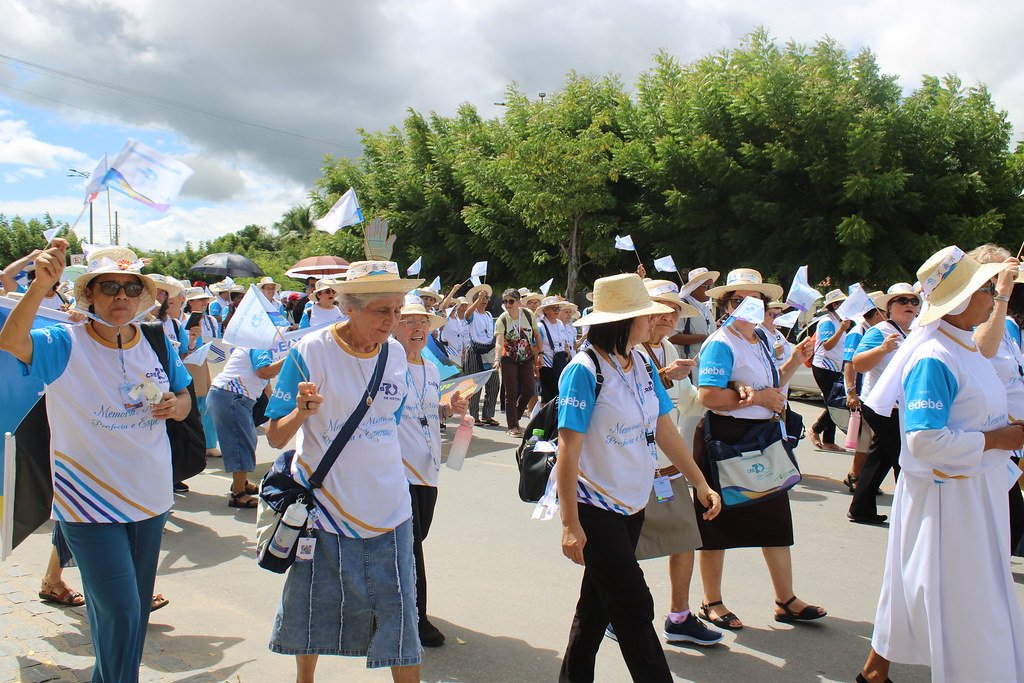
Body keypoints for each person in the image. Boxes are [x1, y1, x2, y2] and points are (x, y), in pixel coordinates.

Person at [0, 239, 191, 682]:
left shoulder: (156, 342)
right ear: (89, 294)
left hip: (151, 496)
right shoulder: (62, 342)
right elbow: (10, 342)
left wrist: (175, 406)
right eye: (108, 287)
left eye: (130, 288)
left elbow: (184, 397)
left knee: (135, 610)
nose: (120, 297)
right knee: (120, 608)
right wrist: (39, 287)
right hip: (88, 504)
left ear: (142, 296)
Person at [858, 246, 1024, 683]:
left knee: (964, 594)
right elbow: (925, 440)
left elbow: (973, 412)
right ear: (964, 298)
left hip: (975, 490)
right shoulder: (934, 357)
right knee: (966, 601)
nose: (993, 297)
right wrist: (997, 438)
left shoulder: (962, 345)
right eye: (986, 289)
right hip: (951, 500)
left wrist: (1004, 430)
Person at [556, 273, 722, 682]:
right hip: (596, 508)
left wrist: (699, 481)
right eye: (648, 315)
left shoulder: (643, 361)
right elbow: (568, 452)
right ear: (626, 321)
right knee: (634, 608)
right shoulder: (584, 369)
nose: (656, 321)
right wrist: (570, 524)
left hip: (634, 504)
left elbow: (663, 426)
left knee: (595, 608)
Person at [265, 260, 423, 683]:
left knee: (401, 611)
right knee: (313, 604)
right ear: (347, 307)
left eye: (397, 310)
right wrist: (300, 412)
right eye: (381, 311)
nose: (392, 322)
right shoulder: (310, 352)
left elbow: (392, 419)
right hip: (325, 508)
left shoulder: (393, 353)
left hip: (390, 506)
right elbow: (276, 437)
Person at [694, 268, 825, 630]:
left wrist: (796, 360)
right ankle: (711, 600)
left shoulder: (761, 340)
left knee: (775, 519)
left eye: (757, 301)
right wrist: (754, 397)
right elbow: (708, 396)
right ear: (726, 306)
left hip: (763, 437)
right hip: (728, 435)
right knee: (717, 522)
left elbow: (771, 385)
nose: (750, 307)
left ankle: (786, 599)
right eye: (740, 300)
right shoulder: (722, 342)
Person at [631, 280, 722, 647]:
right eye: (661, 310)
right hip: (631, 473)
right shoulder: (626, 352)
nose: (669, 317)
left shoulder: (667, 348)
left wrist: (725, 396)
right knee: (621, 552)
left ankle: (680, 616)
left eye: (674, 311)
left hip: (668, 469)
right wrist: (668, 377)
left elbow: (682, 406)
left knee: (684, 540)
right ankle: (613, 615)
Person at [392, 296, 468, 647]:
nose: (418, 328)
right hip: (396, 470)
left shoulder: (432, 368)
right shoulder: (386, 363)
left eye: (422, 321)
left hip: (428, 470)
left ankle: (387, 602)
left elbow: (429, 410)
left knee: (412, 542)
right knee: (410, 547)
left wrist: (447, 407)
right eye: (408, 321)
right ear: (394, 325)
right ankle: (416, 618)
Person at [968, 244, 1024, 553]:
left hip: (1008, 439)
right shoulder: (973, 316)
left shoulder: (1008, 324)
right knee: (1009, 519)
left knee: (1008, 521)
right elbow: (982, 349)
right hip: (985, 440)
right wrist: (1001, 295)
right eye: (1004, 276)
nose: (1012, 281)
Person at [848, 283, 919, 524]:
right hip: (881, 406)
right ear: (889, 308)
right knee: (902, 456)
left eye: (913, 301)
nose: (909, 305)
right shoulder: (880, 330)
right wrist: (882, 348)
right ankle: (910, 513)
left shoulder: (916, 331)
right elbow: (858, 363)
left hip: (900, 406)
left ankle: (861, 508)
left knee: (882, 456)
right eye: (902, 301)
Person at [208, 343, 284, 508]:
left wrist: (277, 415)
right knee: (241, 443)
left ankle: (241, 483)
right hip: (231, 396)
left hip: (230, 396)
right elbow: (264, 372)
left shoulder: (257, 346)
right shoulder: (259, 345)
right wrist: (290, 358)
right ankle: (238, 494)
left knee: (247, 439)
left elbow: (267, 388)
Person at [841, 293, 886, 493]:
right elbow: (849, 364)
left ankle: (863, 478)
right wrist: (851, 392)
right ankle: (855, 476)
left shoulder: (876, 330)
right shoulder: (858, 332)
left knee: (870, 441)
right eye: (885, 310)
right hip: (863, 393)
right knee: (865, 440)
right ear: (876, 312)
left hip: (875, 395)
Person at [809, 288, 852, 451]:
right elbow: (827, 346)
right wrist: (841, 329)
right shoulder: (828, 321)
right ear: (835, 305)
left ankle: (828, 440)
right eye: (843, 303)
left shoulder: (839, 321)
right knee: (835, 404)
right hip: (823, 367)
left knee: (833, 403)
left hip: (836, 368)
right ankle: (815, 429)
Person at [495, 288, 541, 437]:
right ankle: (512, 426)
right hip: (509, 358)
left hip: (526, 357)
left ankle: (516, 414)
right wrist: (497, 358)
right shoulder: (502, 319)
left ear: (518, 301)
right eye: (505, 301)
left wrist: (539, 354)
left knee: (529, 389)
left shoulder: (528, 314)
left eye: (511, 301)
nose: (507, 304)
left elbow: (536, 335)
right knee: (511, 392)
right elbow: (499, 341)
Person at [182, 287, 221, 458]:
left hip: (207, 361)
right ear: (190, 302)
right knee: (190, 404)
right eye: (200, 299)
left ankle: (210, 444)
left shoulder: (211, 320)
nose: (204, 303)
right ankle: (192, 444)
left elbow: (218, 340)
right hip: (188, 361)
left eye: (205, 299)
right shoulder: (183, 320)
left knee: (207, 402)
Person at [463, 283, 500, 427]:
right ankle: (473, 415)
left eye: (486, 298)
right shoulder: (472, 313)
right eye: (481, 298)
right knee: (474, 385)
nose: (484, 301)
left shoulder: (489, 315)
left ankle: (488, 415)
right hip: (475, 350)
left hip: (489, 350)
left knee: (494, 383)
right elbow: (467, 315)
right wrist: (477, 300)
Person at [536, 296, 571, 403]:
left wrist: (567, 352)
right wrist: (536, 365)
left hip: (560, 363)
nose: (556, 311)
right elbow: (536, 346)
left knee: (560, 393)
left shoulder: (560, 324)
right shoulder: (540, 326)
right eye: (553, 308)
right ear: (545, 310)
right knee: (548, 396)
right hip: (547, 365)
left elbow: (564, 341)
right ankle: (546, 418)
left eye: (558, 308)